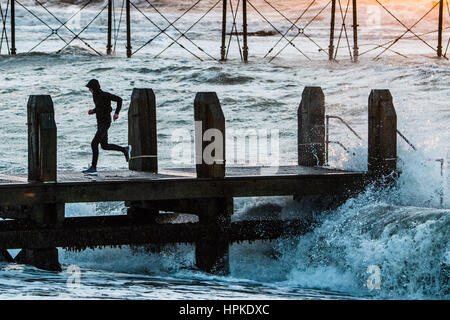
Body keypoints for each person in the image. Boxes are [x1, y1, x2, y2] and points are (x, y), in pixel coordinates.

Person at [83, 79, 131, 176]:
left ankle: (93, 168)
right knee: (104, 146)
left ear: (94, 88)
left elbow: (119, 99)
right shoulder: (95, 96)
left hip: (105, 122)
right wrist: (93, 111)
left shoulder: (104, 94)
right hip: (101, 123)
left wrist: (116, 113)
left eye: (90, 88)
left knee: (94, 144)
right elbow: (101, 107)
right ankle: (124, 149)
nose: (89, 90)